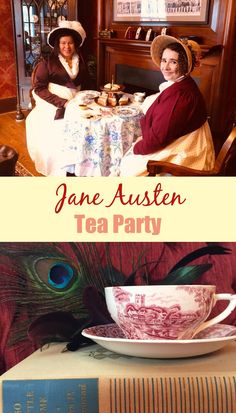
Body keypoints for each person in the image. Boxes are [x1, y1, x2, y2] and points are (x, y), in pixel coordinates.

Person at [119, 35, 215, 176]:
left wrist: (137, 147)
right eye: (164, 60)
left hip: (186, 152)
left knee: (129, 165)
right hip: (182, 141)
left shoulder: (180, 96)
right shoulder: (183, 85)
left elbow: (158, 138)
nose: (165, 67)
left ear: (183, 64)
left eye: (173, 62)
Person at [26, 20, 89, 176]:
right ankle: (60, 168)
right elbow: (38, 88)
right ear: (57, 44)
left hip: (76, 102)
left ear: (75, 45)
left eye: (70, 43)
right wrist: (63, 103)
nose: (67, 47)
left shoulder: (80, 61)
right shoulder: (46, 63)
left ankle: (80, 163)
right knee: (59, 130)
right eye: (63, 43)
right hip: (53, 103)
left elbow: (85, 84)